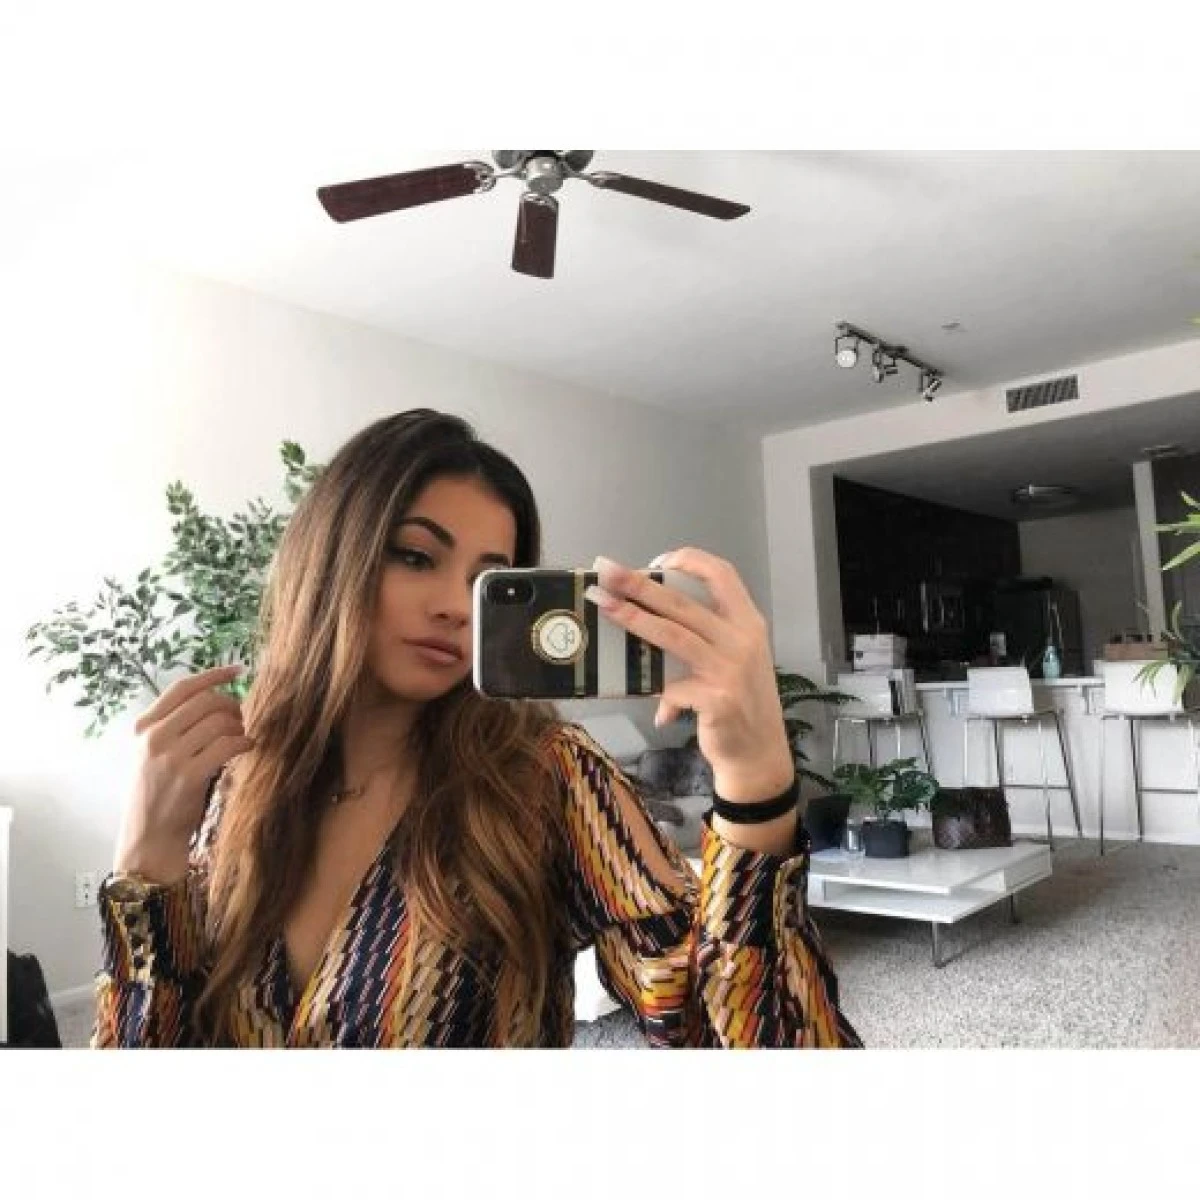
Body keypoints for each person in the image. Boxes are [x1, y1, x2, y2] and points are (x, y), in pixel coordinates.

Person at [93, 408, 861, 1048]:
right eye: (414, 555)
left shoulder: (544, 776)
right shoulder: (229, 777)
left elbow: (718, 1033)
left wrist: (757, 784)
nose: (456, 608)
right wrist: (145, 864)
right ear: (330, 556)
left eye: (487, 581)